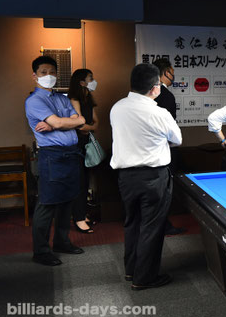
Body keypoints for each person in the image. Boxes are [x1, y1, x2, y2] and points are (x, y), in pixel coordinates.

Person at [110, 63, 182, 290]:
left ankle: (131, 270)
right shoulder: (159, 113)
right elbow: (177, 140)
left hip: (126, 178)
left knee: (132, 223)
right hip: (153, 177)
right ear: (154, 88)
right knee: (152, 227)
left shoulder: (117, 108)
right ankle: (145, 278)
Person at [25, 56, 86, 266]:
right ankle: (41, 251)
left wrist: (54, 124)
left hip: (71, 154)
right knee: (48, 203)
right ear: (35, 76)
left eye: (52, 72)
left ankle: (62, 242)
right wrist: (61, 123)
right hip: (52, 156)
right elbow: (67, 121)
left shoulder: (62, 98)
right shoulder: (34, 101)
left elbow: (81, 120)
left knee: (67, 201)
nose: (48, 76)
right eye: (43, 72)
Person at [152, 58, 185, 236]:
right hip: (165, 151)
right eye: (172, 72)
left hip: (150, 152)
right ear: (165, 73)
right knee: (164, 191)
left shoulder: (148, 94)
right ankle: (163, 225)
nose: (173, 75)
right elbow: (170, 129)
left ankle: (157, 223)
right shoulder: (166, 96)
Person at [68, 68, 99, 233]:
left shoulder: (89, 98)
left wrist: (89, 128)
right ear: (81, 82)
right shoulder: (74, 99)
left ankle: (82, 214)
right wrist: (88, 127)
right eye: (90, 78)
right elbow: (79, 125)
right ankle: (78, 218)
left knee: (86, 180)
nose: (93, 81)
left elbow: (96, 122)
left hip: (87, 143)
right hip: (76, 145)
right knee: (79, 182)